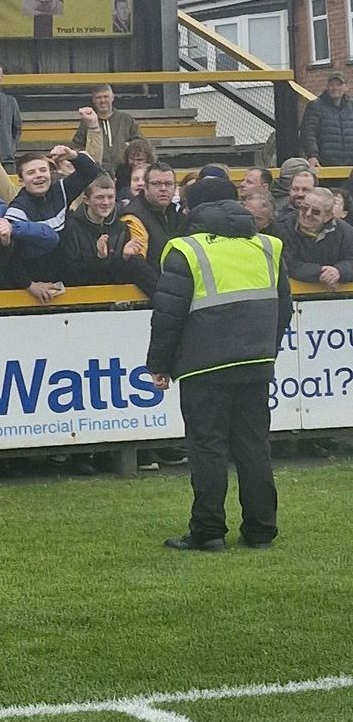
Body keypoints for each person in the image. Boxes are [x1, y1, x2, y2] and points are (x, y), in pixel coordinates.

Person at [146, 176, 292, 552]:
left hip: (203, 366)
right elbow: (283, 310)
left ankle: (208, 531)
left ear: (193, 208)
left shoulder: (184, 249)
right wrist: (266, 350)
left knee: (207, 449)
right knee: (254, 448)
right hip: (255, 362)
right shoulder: (267, 245)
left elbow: (168, 316)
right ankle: (261, 530)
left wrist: (159, 363)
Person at [280, 187, 353, 288]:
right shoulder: (282, 227)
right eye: (304, 208)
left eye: (315, 212)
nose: (308, 214)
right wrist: (319, 271)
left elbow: (350, 259)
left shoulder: (346, 231)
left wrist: (338, 271)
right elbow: (286, 263)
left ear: (328, 216)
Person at [120, 163, 186, 264]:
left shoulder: (175, 212)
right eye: (156, 184)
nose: (163, 188)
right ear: (145, 187)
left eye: (168, 184)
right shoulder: (133, 217)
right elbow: (138, 263)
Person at [72, 85, 143, 168]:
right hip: (98, 171)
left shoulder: (126, 118)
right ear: (93, 100)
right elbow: (77, 146)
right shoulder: (87, 121)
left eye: (106, 97)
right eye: (98, 97)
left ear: (112, 98)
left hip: (124, 169)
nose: (102, 101)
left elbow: (140, 144)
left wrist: (127, 147)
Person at [301, 72, 352, 168]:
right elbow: (308, 133)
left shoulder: (351, 107)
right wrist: (312, 156)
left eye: (339, 84)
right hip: (324, 165)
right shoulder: (315, 106)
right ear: (327, 87)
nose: (335, 88)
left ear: (346, 87)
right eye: (332, 84)